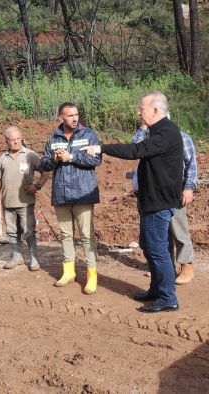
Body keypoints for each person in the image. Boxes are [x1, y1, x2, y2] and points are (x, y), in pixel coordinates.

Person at [83, 91, 182, 312]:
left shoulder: (166, 132)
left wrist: (102, 147)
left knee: (157, 249)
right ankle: (156, 290)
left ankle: (168, 298)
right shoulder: (158, 131)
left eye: (142, 108)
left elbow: (136, 150)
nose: (139, 112)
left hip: (158, 202)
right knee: (150, 246)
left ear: (156, 110)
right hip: (151, 200)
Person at [40, 102, 102, 295]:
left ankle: (92, 275)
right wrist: (55, 160)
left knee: (86, 236)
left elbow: (96, 159)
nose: (75, 118)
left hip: (84, 193)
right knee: (66, 234)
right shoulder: (53, 138)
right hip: (62, 193)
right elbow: (44, 163)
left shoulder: (88, 135)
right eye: (70, 116)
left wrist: (71, 157)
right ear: (61, 118)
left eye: (76, 115)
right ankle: (69, 272)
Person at [131, 123, 198, 284]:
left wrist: (189, 187)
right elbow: (134, 148)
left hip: (173, 193)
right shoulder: (148, 138)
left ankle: (186, 266)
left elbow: (191, 164)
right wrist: (143, 129)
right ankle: (166, 268)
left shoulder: (181, 137)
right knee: (159, 234)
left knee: (178, 231)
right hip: (150, 194)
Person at [0, 126, 51, 271]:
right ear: (6, 141)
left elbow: (45, 172)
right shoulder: (3, 158)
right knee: (12, 232)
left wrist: (37, 186)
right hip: (8, 202)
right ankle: (16, 257)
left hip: (25, 202)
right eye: (12, 140)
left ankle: (33, 259)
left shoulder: (30, 155)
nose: (16, 142)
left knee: (28, 231)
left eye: (18, 138)